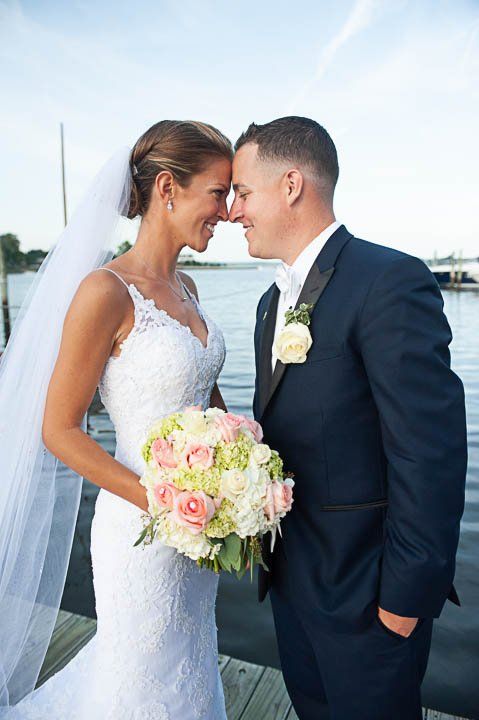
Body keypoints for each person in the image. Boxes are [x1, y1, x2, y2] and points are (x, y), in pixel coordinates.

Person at [229, 115, 467, 720]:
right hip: (293, 589)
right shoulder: (269, 304)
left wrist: (403, 603)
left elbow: (429, 453)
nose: (233, 211)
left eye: (243, 192)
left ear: (290, 185)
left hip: (369, 600)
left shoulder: (388, 281)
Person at [1, 120, 232, 719]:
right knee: (139, 686)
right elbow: (59, 429)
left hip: (197, 525)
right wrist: (160, 501)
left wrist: (240, 473)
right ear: (167, 187)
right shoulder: (105, 292)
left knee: (191, 667)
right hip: (140, 530)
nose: (227, 211)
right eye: (217, 192)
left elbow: (205, 400)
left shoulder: (189, 288)